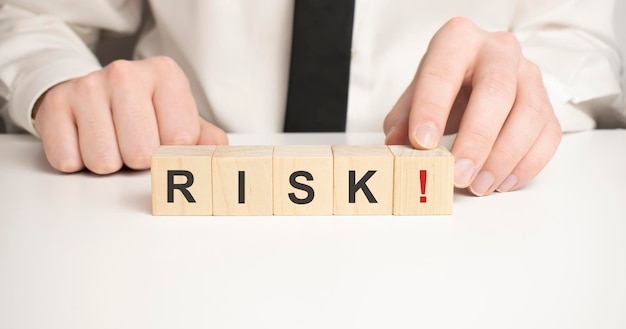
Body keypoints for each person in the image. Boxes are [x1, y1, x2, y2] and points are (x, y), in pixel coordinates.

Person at [0, 0, 622, 197]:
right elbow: (37, 15)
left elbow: (581, 32)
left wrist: (529, 86)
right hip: (161, 185)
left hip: (460, 213)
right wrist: (59, 83)